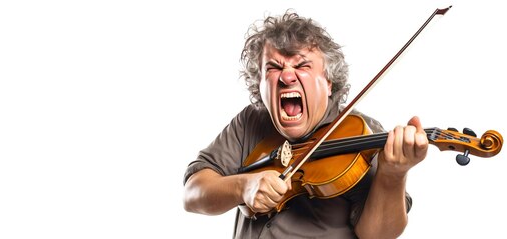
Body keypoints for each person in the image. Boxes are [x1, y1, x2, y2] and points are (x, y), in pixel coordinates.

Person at [183, 9, 428, 239]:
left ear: (328, 81)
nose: (287, 77)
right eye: (274, 67)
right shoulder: (251, 121)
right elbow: (193, 195)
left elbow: (378, 234)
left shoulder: (361, 131)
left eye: (302, 66)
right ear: (259, 84)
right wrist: (242, 186)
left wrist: (393, 174)